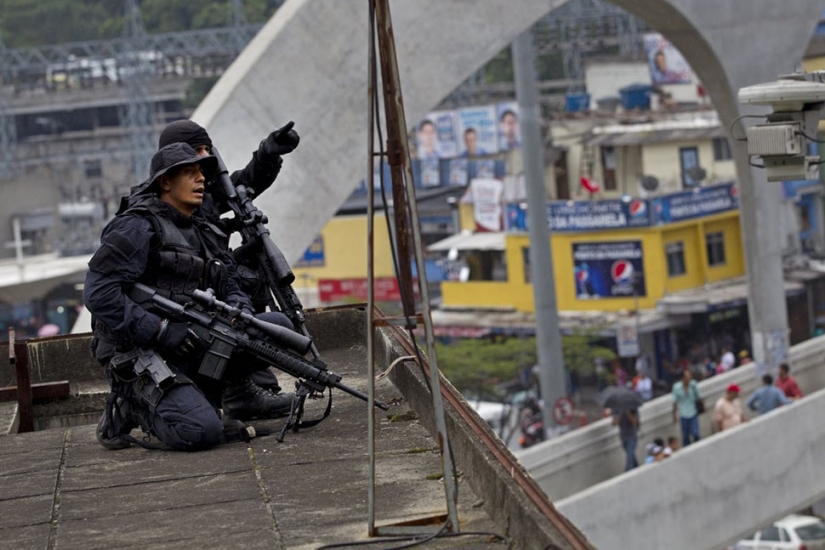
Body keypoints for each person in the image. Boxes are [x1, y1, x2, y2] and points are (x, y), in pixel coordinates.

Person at [86, 143, 297, 451]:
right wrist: (157, 329)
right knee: (201, 432)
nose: (200, 179)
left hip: (189, 339)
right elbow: (98, 293)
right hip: (137, 351)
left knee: (277, 328)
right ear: (165, 182)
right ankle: (131, 408)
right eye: (189, 172)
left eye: (201, 172)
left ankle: (202, 393)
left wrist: (238, 310)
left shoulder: (201, 227)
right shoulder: (136, 226)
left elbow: (229, 280)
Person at [671, 369, 701, 447]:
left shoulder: (693, 385)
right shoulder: (676, 387)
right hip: (683, 413)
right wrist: (674, 414)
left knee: (695, 433)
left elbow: (698, 397)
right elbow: (674, 401)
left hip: (692, 411)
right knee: (685, 435)